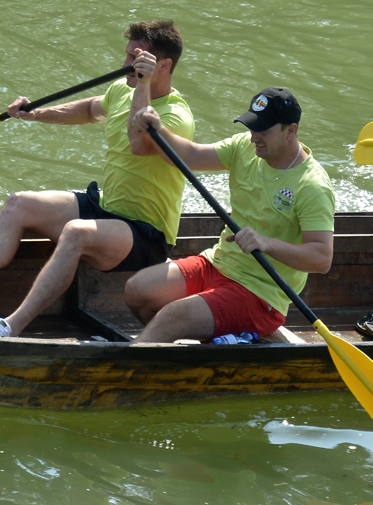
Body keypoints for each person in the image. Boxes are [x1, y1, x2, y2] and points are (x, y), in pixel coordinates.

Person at [0, 20, 194, 338]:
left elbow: (136, 143)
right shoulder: (121, 91)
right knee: (20, 203)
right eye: (127, 56)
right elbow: (88, 109)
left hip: (145, 235)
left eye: (136, 58)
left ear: (164, 65)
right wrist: (37, 113)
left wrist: (142, 86)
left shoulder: (176, 118)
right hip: (107, 208)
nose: (126, 65)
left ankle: (8, 328)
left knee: (76, 233)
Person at [123, 88, 336, 343]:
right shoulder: (243, 148)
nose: (254, 137)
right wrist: (158, 129)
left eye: (264, 131)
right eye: (252, 127)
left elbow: (322, 259)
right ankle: (186, 352)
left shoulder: (312, 186)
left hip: (261, 293)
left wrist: (266, 243)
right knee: (137, 290)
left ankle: (137, 365)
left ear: (291, 130)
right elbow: (190, 155)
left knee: (171, 316)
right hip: (218, 263)